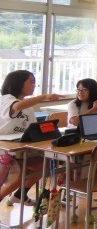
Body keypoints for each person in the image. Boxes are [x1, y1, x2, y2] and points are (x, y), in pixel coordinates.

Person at [0, 70, 60, 206]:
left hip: (20, 149)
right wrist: (43, 97)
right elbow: (16, 107)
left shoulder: (28, 107)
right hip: (5, 149)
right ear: (18, 83)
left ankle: (19, 195)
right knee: (20, 173)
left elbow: (31, 130)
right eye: (31, 82)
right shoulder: (7, 99)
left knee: (44, 165)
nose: (34, 85)